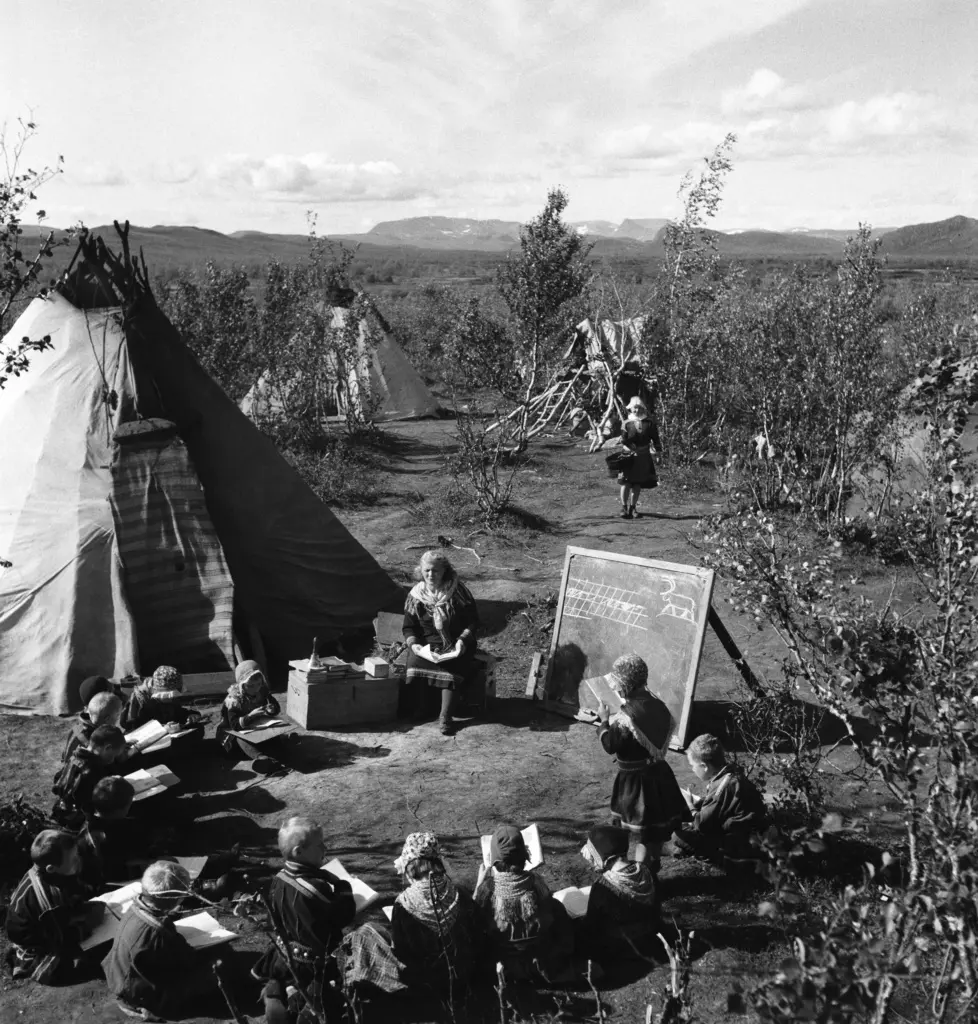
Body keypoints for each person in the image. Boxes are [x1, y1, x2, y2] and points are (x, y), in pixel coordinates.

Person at [253, 816, 357, 1024]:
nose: (325, 848)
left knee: (291, 982)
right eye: (319, 845)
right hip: (312, 962)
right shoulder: (315, 889)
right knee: (324, 1005)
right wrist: (344, 887)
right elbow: (343, 916)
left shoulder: (279, 878)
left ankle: (281, 994)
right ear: (299, 852)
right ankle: (300, 1007)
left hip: (285, 952)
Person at [596, 654, 690, 868]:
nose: (616, 690)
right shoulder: (659, 707)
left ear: (626, 684)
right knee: (653, 831)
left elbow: (610, 745)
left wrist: (603, 721)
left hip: (634, 782)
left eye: (618, 685)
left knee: (640, 829)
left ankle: (643, 875)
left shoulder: (626, 717)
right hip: (659, 774)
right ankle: (653, 864)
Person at [102, 860, 219, 1020]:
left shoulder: (135, 906)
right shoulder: (160, 931)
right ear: (177, 900)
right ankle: (154, 1008)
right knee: (217, 968)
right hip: (137, 992)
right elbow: (187, 959)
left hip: (118, 977)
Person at [473, 825, 574, 986]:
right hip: (541, 963)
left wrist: (478, 886)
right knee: (557, 907)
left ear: (494, 861)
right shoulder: (536, 883)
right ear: (524, 855)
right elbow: (548, 911)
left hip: (503, 967)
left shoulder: (487, 889)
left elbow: (475, 918)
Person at [5, 830, 102, 982]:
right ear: (51, 868)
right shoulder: (50, 901)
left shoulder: (41, 872)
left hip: (47, 920)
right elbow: (61, 938)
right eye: (74, 859)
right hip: (36, 939)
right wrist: (88, 925)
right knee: (89, 959)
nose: (79, 860)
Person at [390, 831, 481, 993]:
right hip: (465, 974)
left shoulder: (403, 904)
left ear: (409, 866)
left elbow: (400, 951)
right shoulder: (458, 893)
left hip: (426, 984)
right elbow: (477, 934)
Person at [402, 550, 479, 735]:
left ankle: (445, 717)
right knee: (414, 662)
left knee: (451, 667)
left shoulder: (458, 592)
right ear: (420, 571)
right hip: (428, 646)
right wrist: (415, 645)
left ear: (445, 571)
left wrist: (462, 641)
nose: (430, 575)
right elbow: (409, 628)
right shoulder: (416, 595)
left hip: (456, 643)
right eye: (427, 570)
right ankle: (423, 708)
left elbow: (473, 621)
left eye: (435, 571)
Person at [674, 733, 768, 872]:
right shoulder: (730, 774)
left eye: (692, 765)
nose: (692, 769)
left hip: (736, 842)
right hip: (746, 833)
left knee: (676, 835)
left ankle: (718, 858)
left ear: (704, 766)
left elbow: (702, 825)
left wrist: (690, 804)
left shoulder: (722, 786)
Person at [578, 826, 658, 962]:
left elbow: (592, 924)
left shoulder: (603, 886)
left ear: (599, 855)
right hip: (652, 936)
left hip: (622, 947)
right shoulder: (646, 871)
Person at [52, 725, 129, 827]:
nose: (113, 760)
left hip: (60, 809)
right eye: (114, 755)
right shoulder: (94, 771)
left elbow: (57, 778)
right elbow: (96, 803)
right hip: (76, 820)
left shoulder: (76, 757)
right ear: (107, 748)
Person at [216, 660, 281, 758]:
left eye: (259, 684)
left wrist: (271, 709)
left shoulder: (262, 691)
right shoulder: (234, 699)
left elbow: (274, 705)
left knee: (273, 733)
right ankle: (260, 758)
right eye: (250, 686)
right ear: (242, 684)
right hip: (235, 732)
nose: (256, 689)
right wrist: (251, 716)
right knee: (242, 740)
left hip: (255, 727)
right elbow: (235, 725)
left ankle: (282, 744)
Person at [123, 665, 203, 734]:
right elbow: (133, 728)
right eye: (167, 696)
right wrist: (162, 728)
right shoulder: (139, 699)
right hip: (148, 739)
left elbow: (176, 712)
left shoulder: (172, 699)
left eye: (173, 696)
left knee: (197, 729)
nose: (171, 699)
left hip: (169, 733)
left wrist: (189, 716)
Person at [617, 395, 661, 520]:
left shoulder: (649, 423)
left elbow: (656, 439)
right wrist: (631, 448)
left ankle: (633, 507)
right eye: (634, 408)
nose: (636, 410)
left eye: (639, 408)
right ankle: (624, 507)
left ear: (642, 408)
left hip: (643, 456)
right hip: (628, 456)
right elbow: (623, 439)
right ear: (630, 409)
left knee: (637, 483)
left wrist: (658, 454)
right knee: (625, 482)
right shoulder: (626, 423)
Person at [61, 691, 134, 765]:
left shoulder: (80, 725)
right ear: (107, 719)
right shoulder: (93, 739)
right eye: (118, 715)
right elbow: (107, 763)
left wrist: (120, 745)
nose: (119, 718)